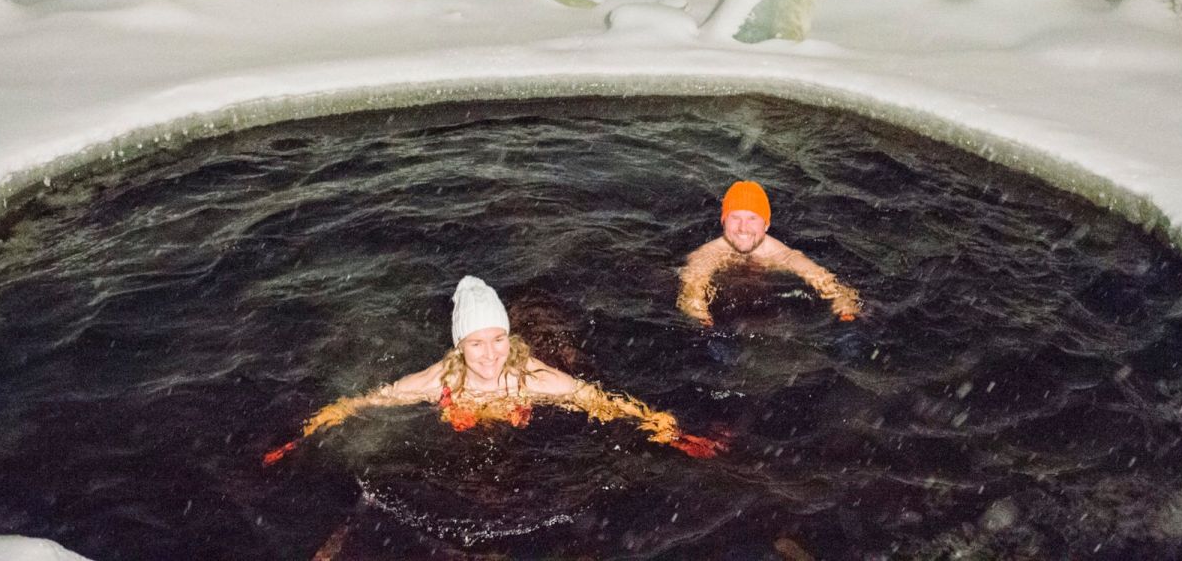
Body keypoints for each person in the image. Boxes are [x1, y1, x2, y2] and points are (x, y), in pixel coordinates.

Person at [265, 276, 722, 464]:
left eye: (498, 340)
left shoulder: (532, 378)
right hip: (470, 444)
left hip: (522, 428)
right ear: (460, 347)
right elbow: (360, 401)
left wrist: (671, 433)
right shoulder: (437, 381)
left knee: (568, 356)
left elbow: (604, 402)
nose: (489, 355)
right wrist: (301, 438)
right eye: (476, 344)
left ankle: (536, 315)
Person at [677, 180, 862, 327]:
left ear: (766, 224)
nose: (743, 228)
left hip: (766, 305)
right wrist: (699, 314)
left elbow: (822, 278)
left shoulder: (780, 254)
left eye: (752, 218)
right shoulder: (709, 253)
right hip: (724, 307)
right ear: (723, 221)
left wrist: (844, 303)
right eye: (735, 218)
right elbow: (692, 287)